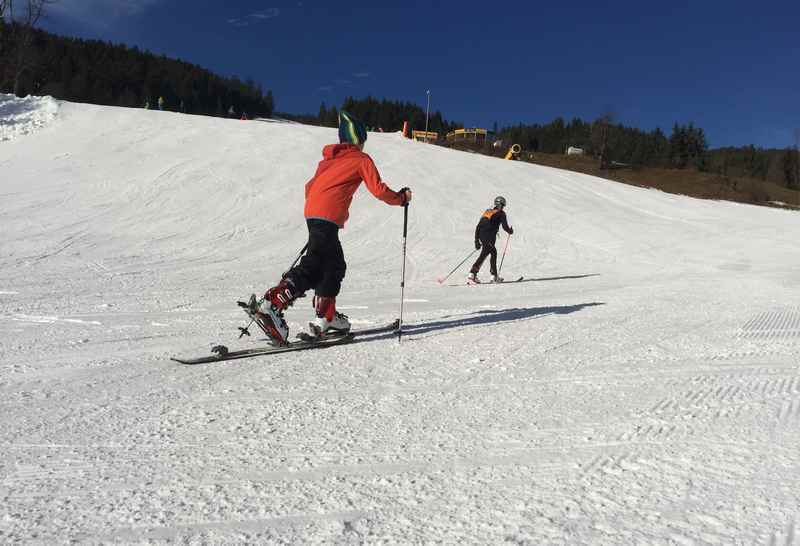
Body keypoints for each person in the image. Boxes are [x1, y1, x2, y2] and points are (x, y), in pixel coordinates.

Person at [250, 111, 412, 344]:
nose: (364, 144)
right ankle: (276, 305)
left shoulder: (328, 161)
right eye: (363, 139)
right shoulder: (361, 159)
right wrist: (401, 198)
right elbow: (378, 190)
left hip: (315, 214)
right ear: (358, 139)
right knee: (321, 265)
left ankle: (325, 315)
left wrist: (320, 214)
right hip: (325, 218)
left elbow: (310, 187)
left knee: (329, 264)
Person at [468, 196, 513, 284]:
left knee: (489, 252)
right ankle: (474, 274)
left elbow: (478, 226)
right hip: (489, 236)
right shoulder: (502, 214)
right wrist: (510, 231)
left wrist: (477, 240)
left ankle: (485, 275)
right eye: (502, 205)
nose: (502, 207)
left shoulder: (488, 211)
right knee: (490, 252)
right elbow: (505, 227)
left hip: (482, 235)